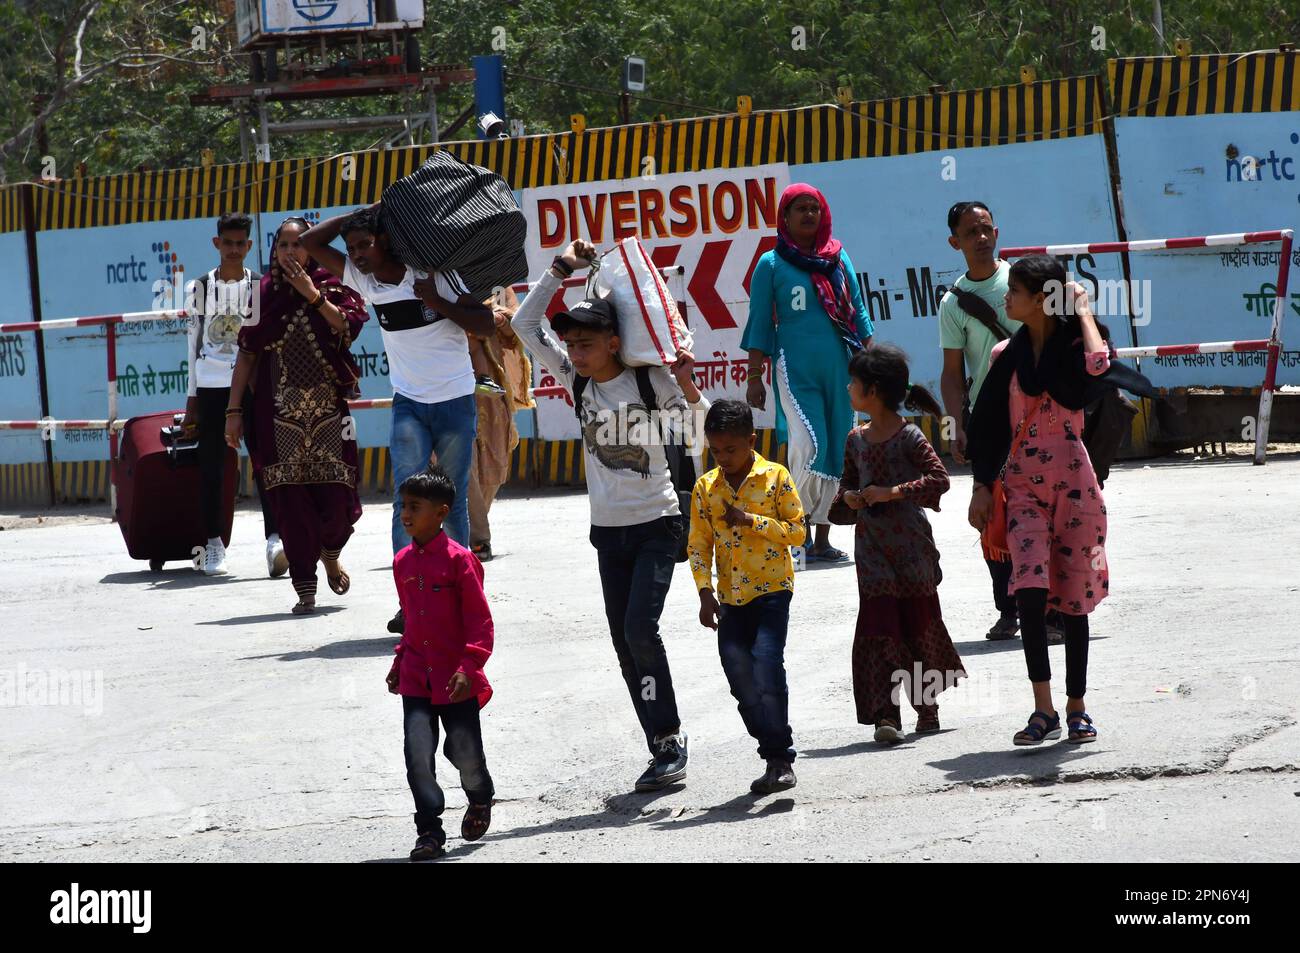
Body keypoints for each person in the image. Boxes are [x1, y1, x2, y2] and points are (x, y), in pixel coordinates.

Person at [512, 238, 708, 793]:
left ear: (615, 342)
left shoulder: (648, 382)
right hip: (607, 534)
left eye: (586, 343)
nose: (573, 352)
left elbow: (699, 431)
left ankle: (669, 740)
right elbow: (528, 328)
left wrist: (688, 381)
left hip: (657, 525)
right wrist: (558, 271)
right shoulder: (576, 382)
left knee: (638, 629)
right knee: (625, 644)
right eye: (570, 343)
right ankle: (660, 745)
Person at [966, 256, 1154, 746]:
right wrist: (982, 486)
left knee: (1073, 602)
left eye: (1016, 291)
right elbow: (986, 420)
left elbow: (1100, 366)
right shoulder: (1005, 354)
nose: (1006, 299)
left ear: (1042, 298)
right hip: (1023, 487)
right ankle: (1042, 707)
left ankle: (1077, 706)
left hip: (1076, 488)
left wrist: (1085, 311)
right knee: (1028, 589)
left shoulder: (1078, 348)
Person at [299, 206, 494, 632]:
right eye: (351, 249)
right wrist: (364, 213)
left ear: (385, 241)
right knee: (404, 500)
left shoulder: (433, 274)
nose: (357, 254)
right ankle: (412, 603)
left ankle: (458, 598)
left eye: (364, 244)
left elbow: (485, 322)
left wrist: (438, 302)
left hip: (456, 399)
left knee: (453, 499)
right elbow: (311, 243)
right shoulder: (365, 281)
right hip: (408, 402)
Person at [224, 217, 368, 615]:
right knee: (290, 502)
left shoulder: (333, 285)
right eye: (283, 245)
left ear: (311, 248)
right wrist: (233, 411)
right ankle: (305, 586)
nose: (291, 252)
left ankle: (330, 552)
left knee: (339, 500)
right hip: (277, 416)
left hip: (328, 415)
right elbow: (247, 354)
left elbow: (346, 326)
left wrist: (311, 294)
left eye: (298, 244)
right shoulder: (263, 294)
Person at [828, 343, 965, 744]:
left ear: (872, 391)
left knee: (917, 624)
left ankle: (927, 709)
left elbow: (940, 479)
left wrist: (893, 492)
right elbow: (845, 492)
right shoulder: (855, 440)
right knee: (879, 627)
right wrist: (851, 499)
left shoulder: (910, 436)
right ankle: (886, 715)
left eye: (854, 382)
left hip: (912, 548)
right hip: (871, 551)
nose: (848, 387)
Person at [743, 183, 873, 564]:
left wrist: (875, 361)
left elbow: (858, 313)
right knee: (807, 446)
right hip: (794, 369)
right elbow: (759, 325)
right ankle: (793, 533)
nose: (808, 215)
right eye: (800, 208)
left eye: (814, 208)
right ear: (784, 217)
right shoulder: (770, 264)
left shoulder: (838, 258)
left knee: (837, 447)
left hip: (839, 368)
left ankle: (821, 540)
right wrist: (754, 376)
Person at [689, 399, 805, 794]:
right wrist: (704, 591)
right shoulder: (706, 487)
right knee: (739, 674)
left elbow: (798, 532)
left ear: (751, 441)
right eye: (716, 450)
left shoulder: (776, 477)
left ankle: (781, 757)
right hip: (731, 598)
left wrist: (751, 520)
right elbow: (699, 544)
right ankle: (769, 745)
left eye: (731, 450)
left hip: (773, 590)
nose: (723, 458)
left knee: (767, 664)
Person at [386, 466, 495, 861]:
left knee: (465, 753)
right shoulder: (401, 562)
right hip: (417, 677)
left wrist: (470, 666)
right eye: (403, 506)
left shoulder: (461, 561)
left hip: (455, 679)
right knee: (417, 754)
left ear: (442, 512)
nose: (406, 514)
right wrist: (400, 662)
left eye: (415, 507)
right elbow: (413, 622)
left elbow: (480, 622)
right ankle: (429, 831)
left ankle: (480, 796)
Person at [935, 201, 1026, 641]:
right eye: (971, 232)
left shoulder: (1023, 281)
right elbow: (952, 376)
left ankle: (1049, 610)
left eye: (987, 228)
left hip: (1035, 413)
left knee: (1041, 509)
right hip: (989, 419)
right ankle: (1008, 610)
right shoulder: (952, 304)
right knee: (991, 514)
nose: (982, 238)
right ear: (956, 242)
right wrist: (956, 427)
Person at [180, 211, 284, 578]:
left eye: (241, 243)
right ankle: (213, 544)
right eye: (228, 243)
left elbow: (267, 343)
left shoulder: (260, 285)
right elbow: (192, 343)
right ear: (216, 243)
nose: (234, 249)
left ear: (250, 245)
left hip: (253, 387)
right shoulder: (200, 288)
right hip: (210, 388)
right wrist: (192, 399)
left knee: (265, 463)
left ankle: (275, 540)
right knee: (213, 468)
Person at [466, 286, 531, 562]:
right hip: (450, 385)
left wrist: (501, 320)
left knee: (495, 462)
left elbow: (518, 330)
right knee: (460, 463)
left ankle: (470, 527)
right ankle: (476, 537)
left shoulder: (497, 287)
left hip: (491, 393)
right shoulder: (439, 282)